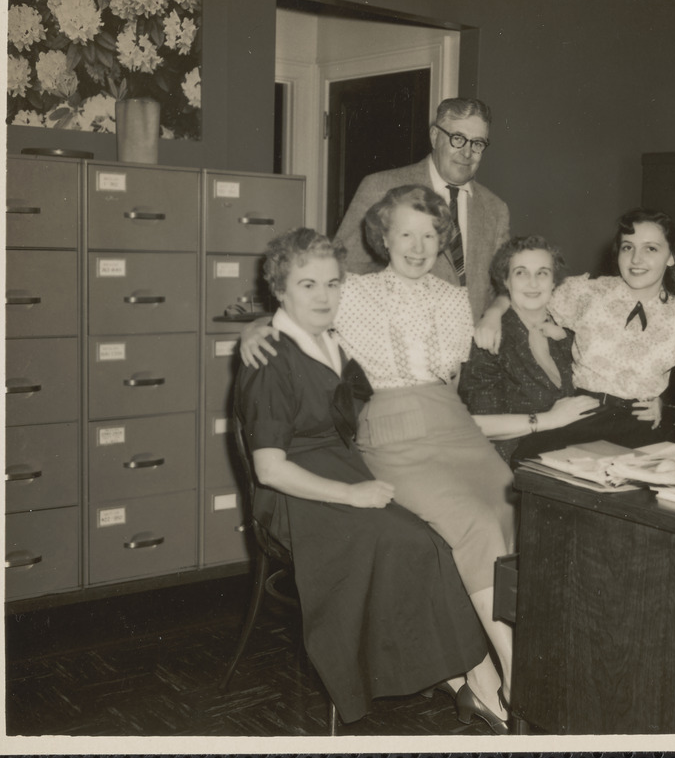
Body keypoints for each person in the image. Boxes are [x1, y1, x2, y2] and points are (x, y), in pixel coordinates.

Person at [241, 188, 515, 733]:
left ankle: (480, 669)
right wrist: (254, 329)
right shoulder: (356, 294)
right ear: (382, 237)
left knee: (514, 512)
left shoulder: (448, 297)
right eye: (405, 234)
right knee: (475, 527)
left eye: (430, 235)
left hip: (451, 427)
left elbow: (451, 381)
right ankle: (517, 677)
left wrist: (503, 302)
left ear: (443, 241)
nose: (417, 246)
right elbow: (294, 304)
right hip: (388, 440)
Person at [475, 208, 675, 453]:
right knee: (533, 462)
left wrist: (666, 407)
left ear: (671, 257)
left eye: (651, 249)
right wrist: (493, 313)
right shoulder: (589, 293)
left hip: (640, 427)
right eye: (628, 247)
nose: (636, 259)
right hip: (582, 416)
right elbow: (528, 292)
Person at [334, 97, 510, 320]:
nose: (467, 153)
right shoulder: (381, 188)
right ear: (435, 137)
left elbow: (503, 286)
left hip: (473, 347)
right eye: (458, 139)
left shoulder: (495, 208)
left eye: (477, 143)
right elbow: (342, 273)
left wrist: (493, 317)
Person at [458, 235, 600, 463]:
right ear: (506, 281)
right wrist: (547, 419)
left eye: (542, 273)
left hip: (571, 453)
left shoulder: (569, 330)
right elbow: (478, 423)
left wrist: (649, 399)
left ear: (554, 281)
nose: (533, 283)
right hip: (509, 462)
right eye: (521, 273)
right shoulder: (492, 337)